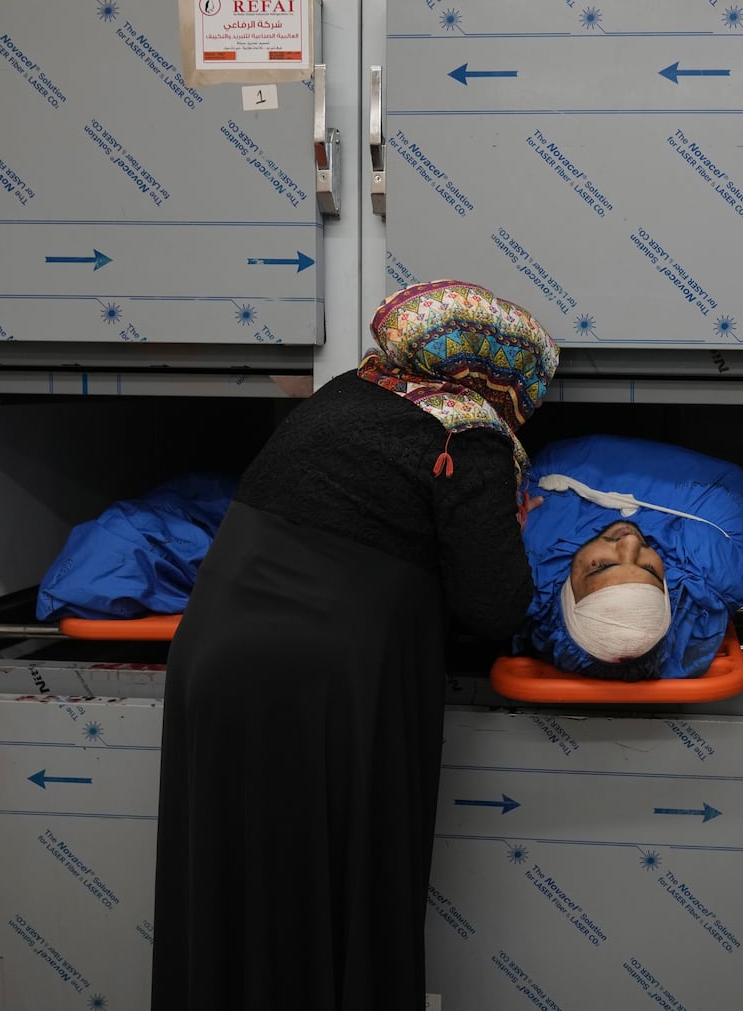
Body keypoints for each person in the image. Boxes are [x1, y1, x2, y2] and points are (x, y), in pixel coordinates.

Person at [150, 280, 559, 1009]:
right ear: (501, 377)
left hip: (209, 667)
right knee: (324, 901)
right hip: (314, 692)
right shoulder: (466, 432)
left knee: (233, 894)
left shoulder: (345, 393)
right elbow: (494, 605)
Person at [517, 434, 743, 681]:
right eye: (649, 569)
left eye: (602, 566)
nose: (631, 541)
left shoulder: (528, 549)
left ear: (567, 596)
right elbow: (729, 483)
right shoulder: (713, 562)